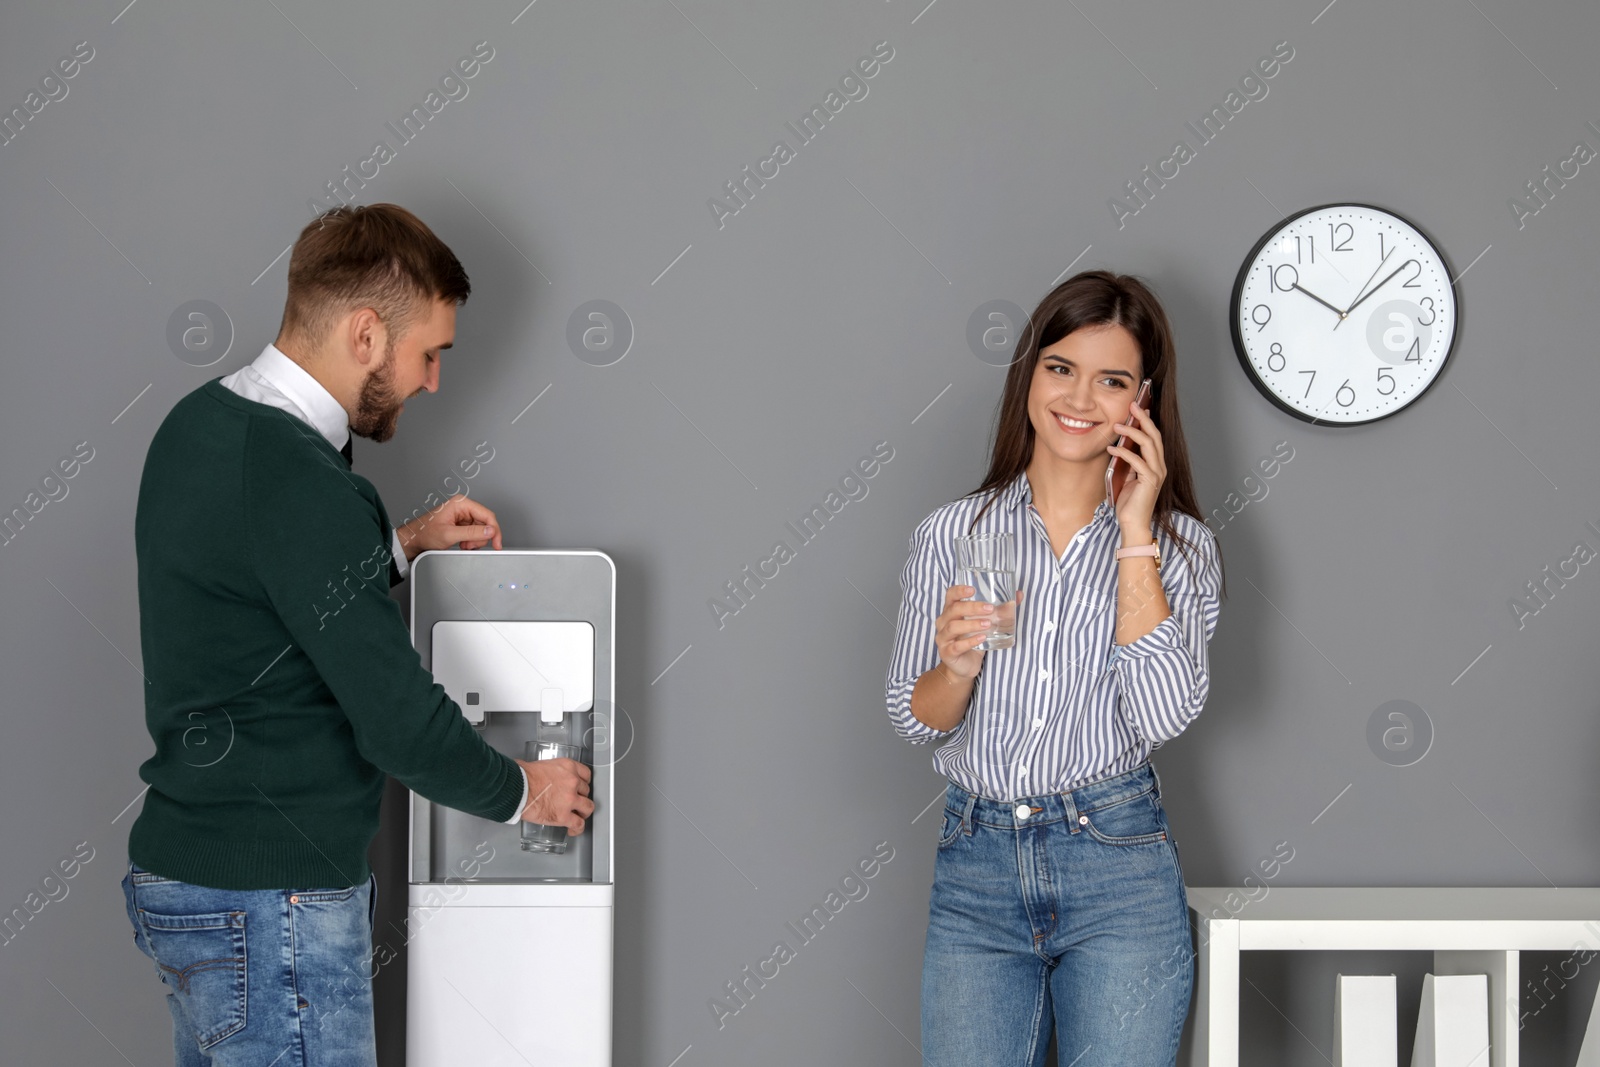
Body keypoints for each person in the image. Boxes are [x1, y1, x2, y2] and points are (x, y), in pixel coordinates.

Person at [120, 203, 593, 1067]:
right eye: (430, 354)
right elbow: (398, 721)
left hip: (188, 887)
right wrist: (527, 790)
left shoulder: (200, 426)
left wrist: (401, 542)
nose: (433, 382)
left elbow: (257, 593)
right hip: (275, 908)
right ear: (366, 334)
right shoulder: (302, 481)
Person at [884, 270, 1226, 1066]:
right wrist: (959, 665)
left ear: (1143, 399)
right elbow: (914, 716)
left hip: (1116, 862)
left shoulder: (1181, 548)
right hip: (977, 862)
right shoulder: (952, 532)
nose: (1080, 397)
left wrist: (1136, 529)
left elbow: (1166, 714)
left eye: (1112, 380)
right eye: (1061, 368)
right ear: (1030, 375)